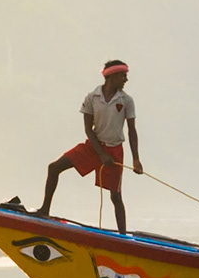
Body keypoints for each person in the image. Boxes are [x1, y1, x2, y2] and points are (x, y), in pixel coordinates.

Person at [38, 60, 142, 230]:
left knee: (115, 196)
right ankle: (44, 210)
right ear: (112, 76)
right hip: (93, 147)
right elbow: (88, 129)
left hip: (114, 150)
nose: (126, 80)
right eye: (123, 76)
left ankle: (123, 236)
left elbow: (132, 131)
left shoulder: (126, 100)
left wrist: (136, 160)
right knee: (54, 167)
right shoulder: (92, 97)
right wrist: (101, 153)